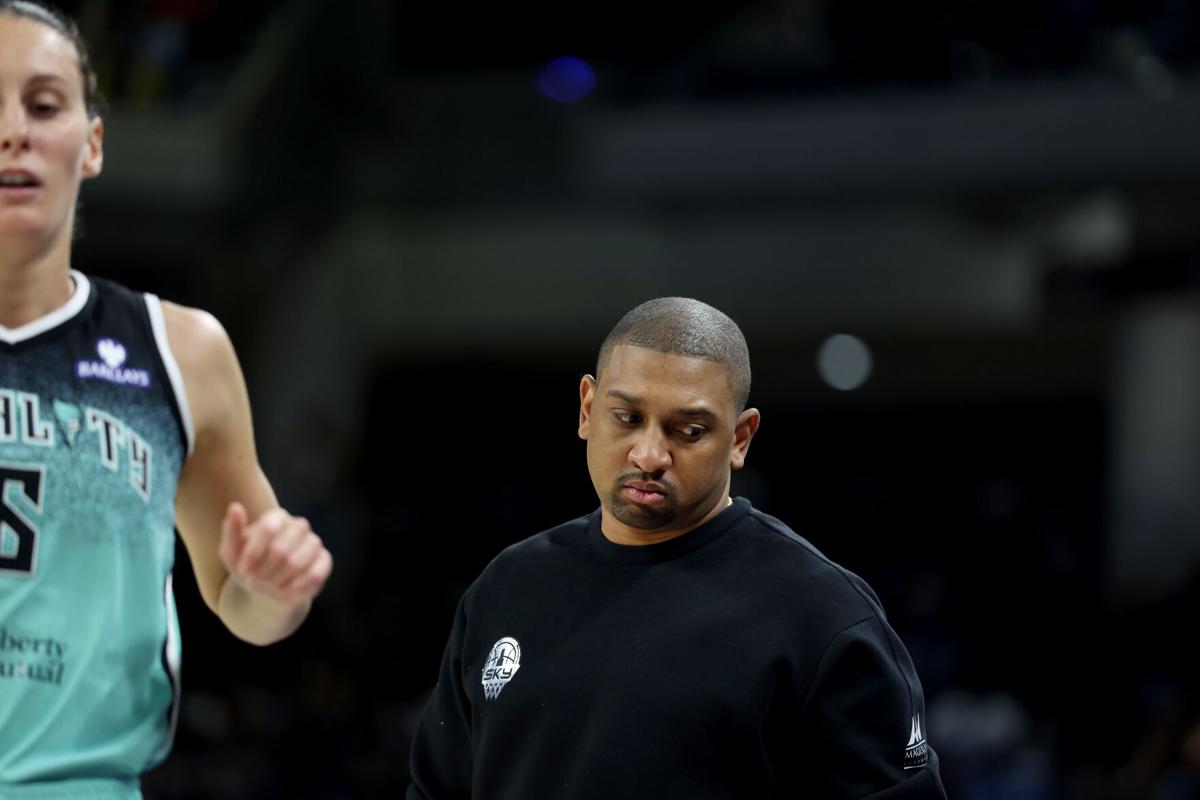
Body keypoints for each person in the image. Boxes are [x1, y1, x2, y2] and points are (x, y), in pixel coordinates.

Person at [407, 297, 948, 799]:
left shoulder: (823, 616)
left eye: (687, 430)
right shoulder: (507, 587)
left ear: (739, 438)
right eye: (627, 418)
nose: (648, 454)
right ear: (586, 408)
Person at [0, 2, 333, 797]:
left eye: (44, 105)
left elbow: (242, 605)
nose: (13, 131)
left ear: (93, 144)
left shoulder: (179, 351)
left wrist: (272, 587)